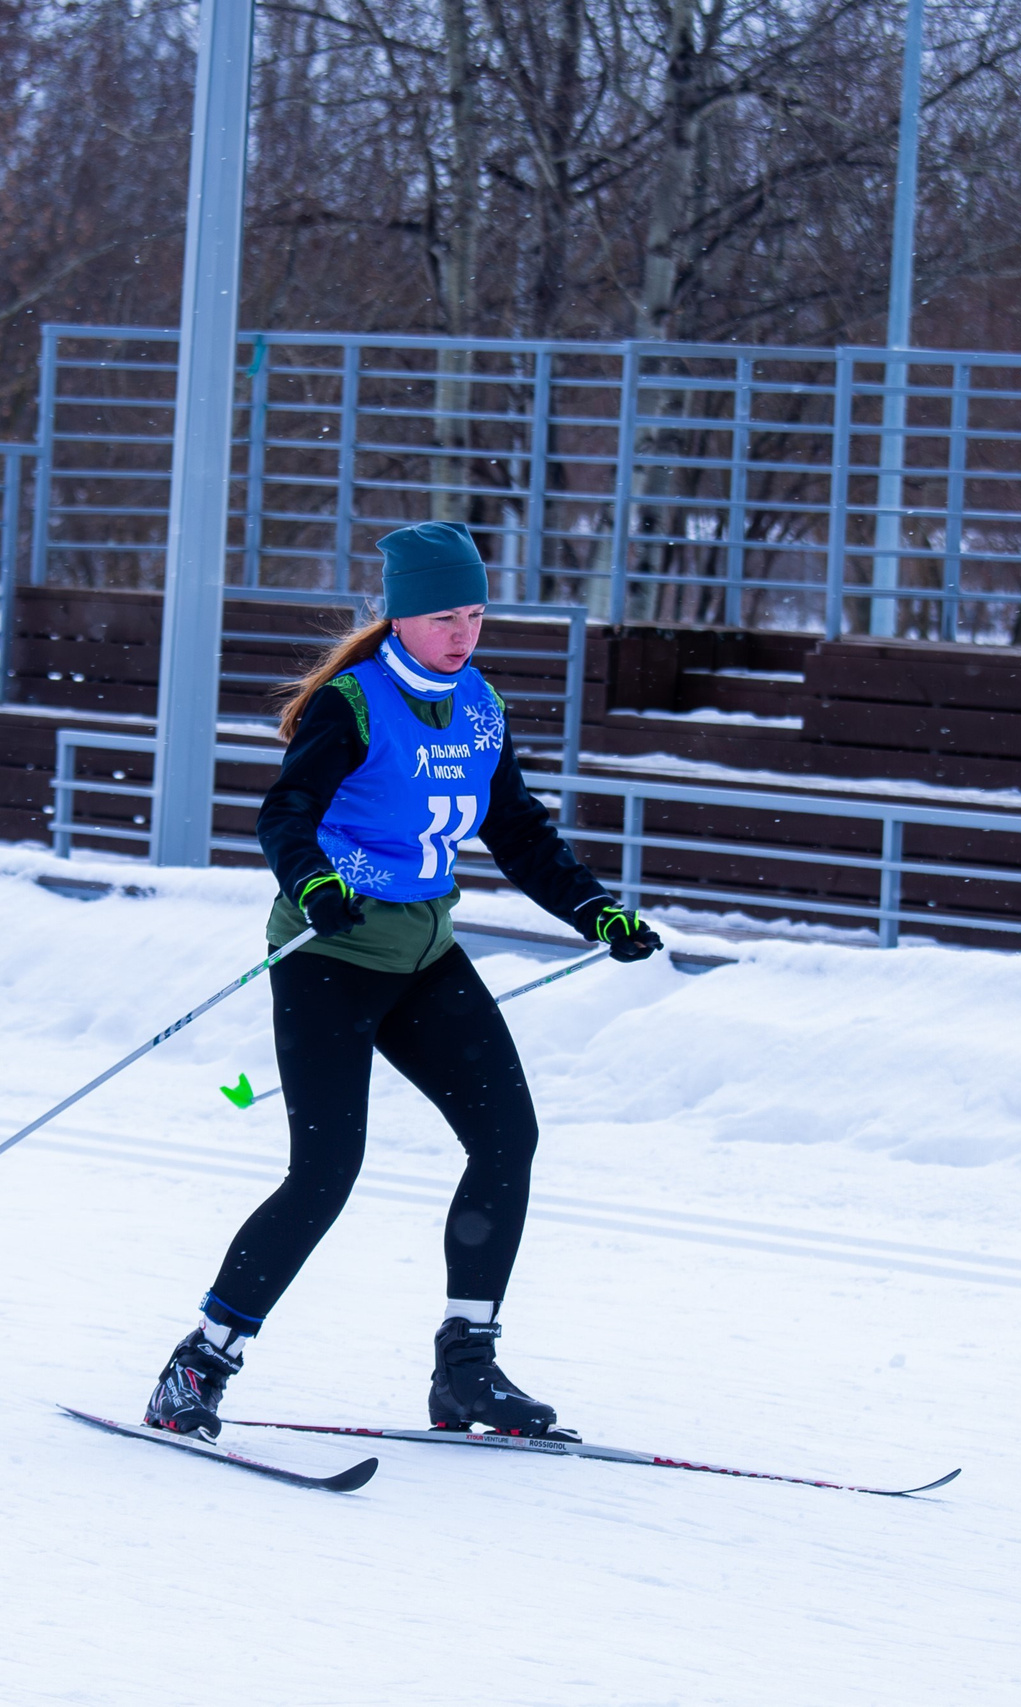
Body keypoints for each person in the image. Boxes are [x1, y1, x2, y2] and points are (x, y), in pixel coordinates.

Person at [144, 521, 664, 1444]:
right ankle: (199, 1362)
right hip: (329, 956)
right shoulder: (354, 702)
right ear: (399, 616)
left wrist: (597, 911)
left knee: (508, 1138)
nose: (462, 633)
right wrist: (312, 882)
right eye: (440, 616)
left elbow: (522, 834)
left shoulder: (480, 708)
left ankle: (466, 1367)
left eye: (474, 613)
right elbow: (286, 814)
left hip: (425, 956)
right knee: (326, 1171)